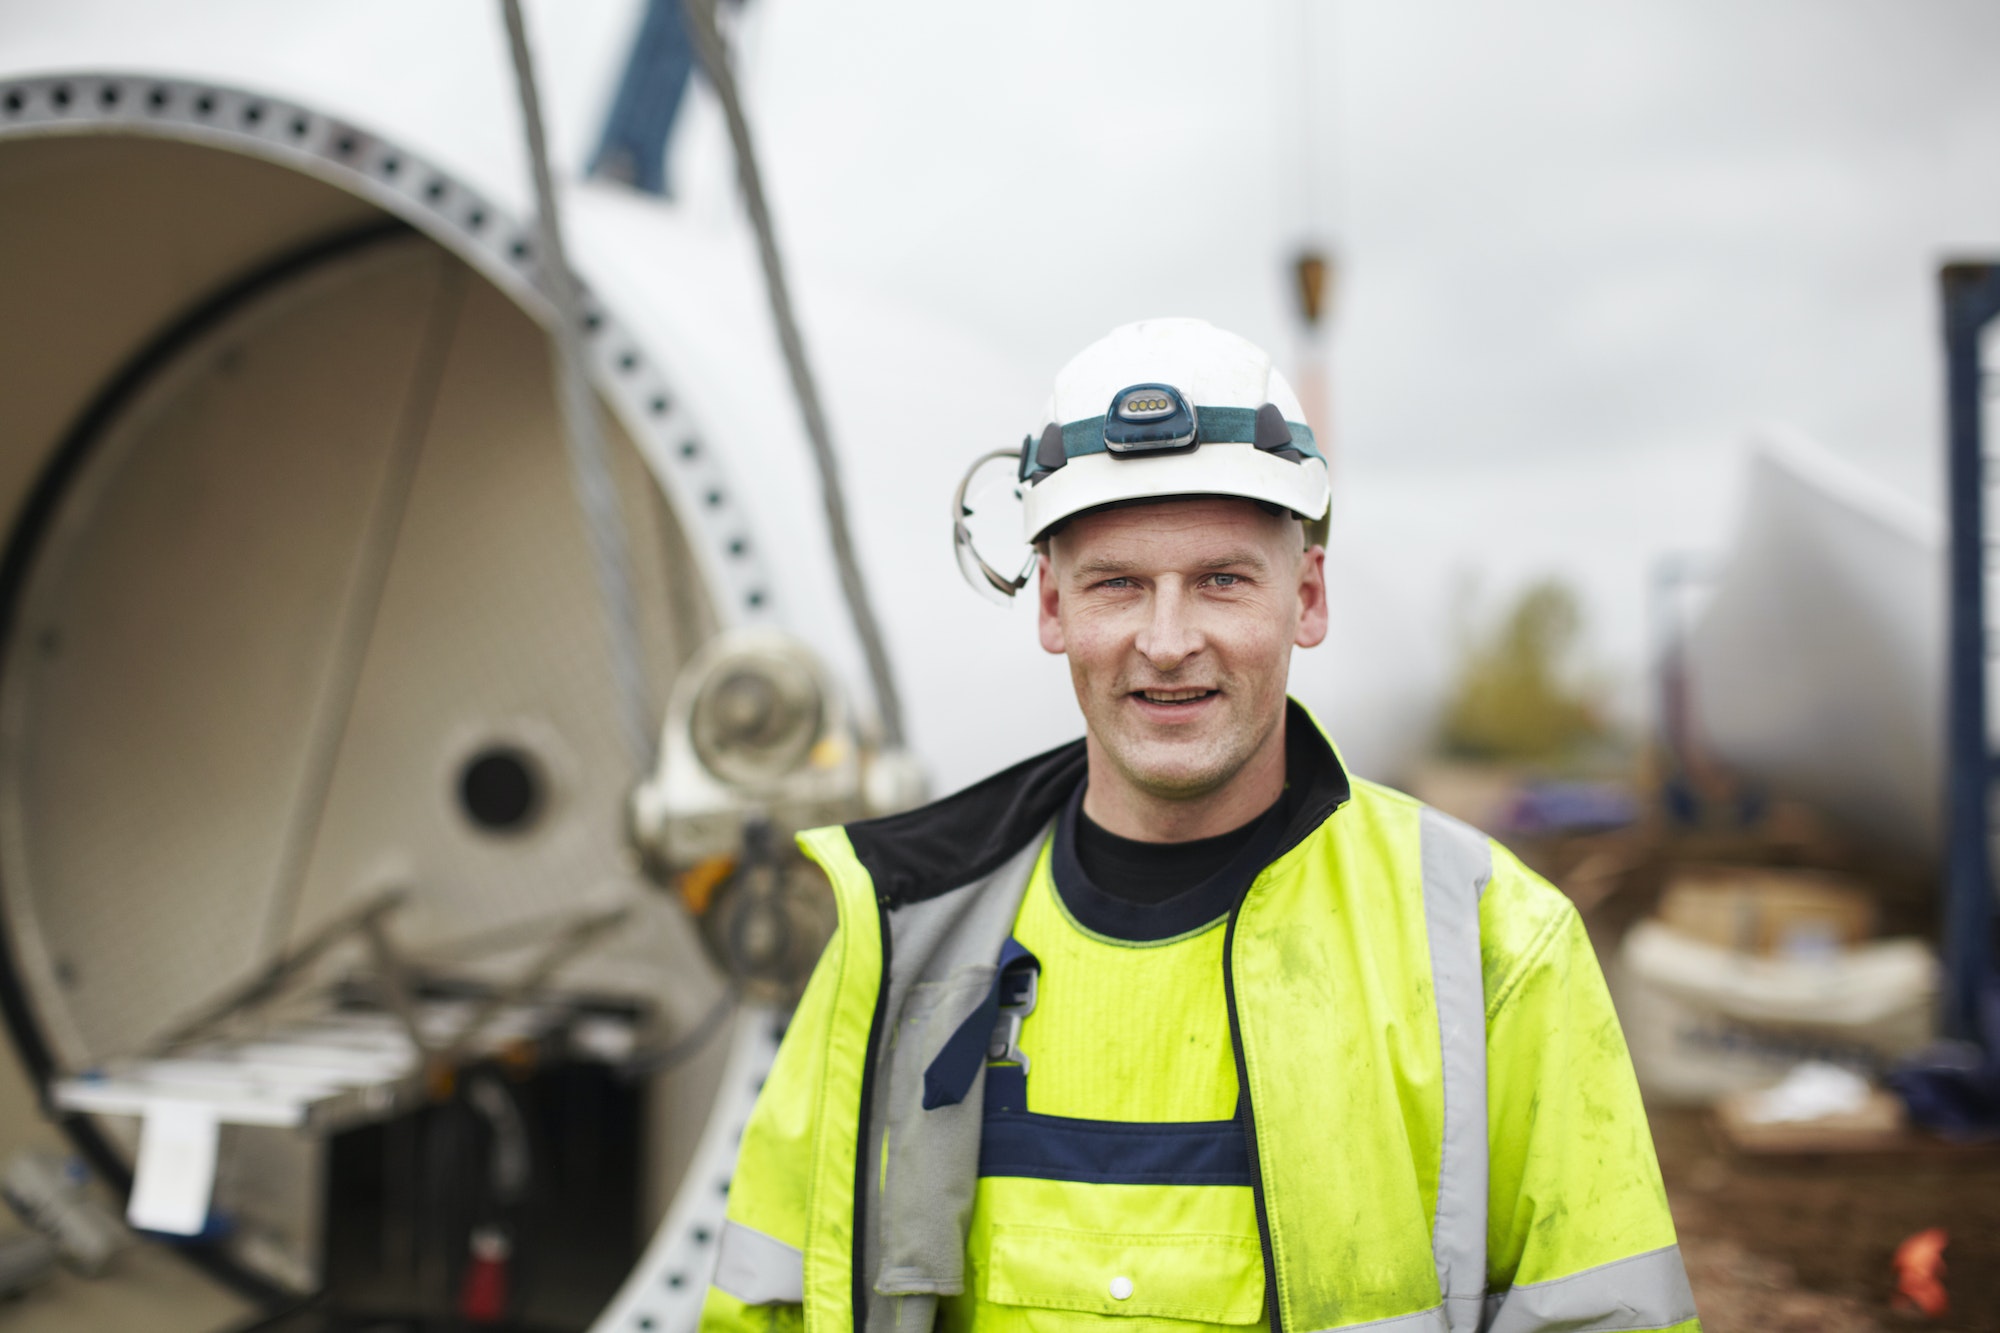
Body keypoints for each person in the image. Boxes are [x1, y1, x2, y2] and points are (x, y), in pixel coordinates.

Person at [700, 319, 1698, 1333]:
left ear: (1303, 598)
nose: (1167, 641)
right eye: (1117, 584)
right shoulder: (903, 939)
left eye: (1220, 580)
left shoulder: (1487, 946)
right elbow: (766, 1306)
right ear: (1051, 606)